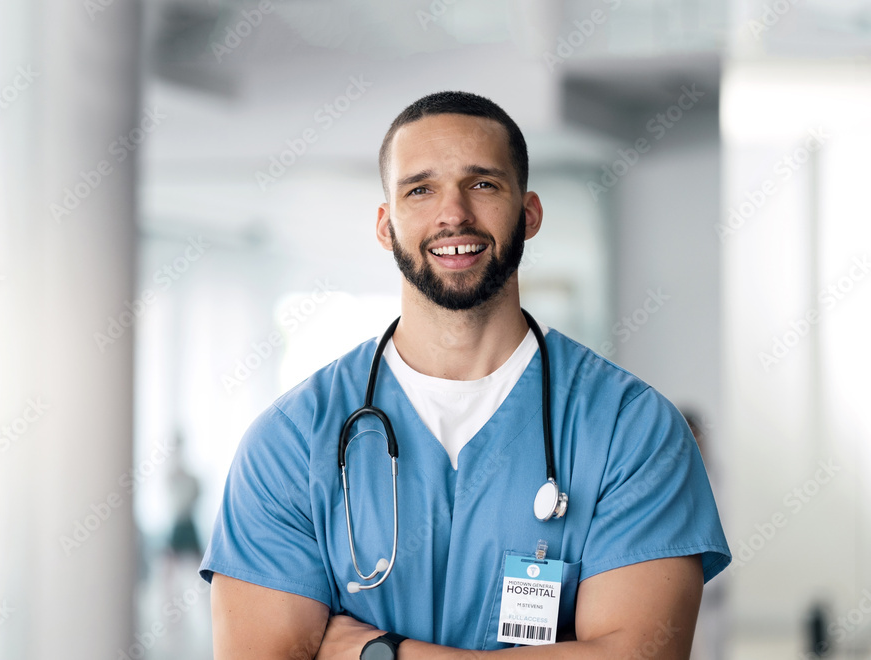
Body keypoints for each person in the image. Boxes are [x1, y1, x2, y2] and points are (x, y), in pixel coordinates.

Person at [200, 91, 731, 658]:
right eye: (420, 189)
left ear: (528, 214)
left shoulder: (634, 430)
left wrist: (380, 652)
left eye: (482, 184)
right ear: (386, 225)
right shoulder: (290, 440)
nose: (453, 213)